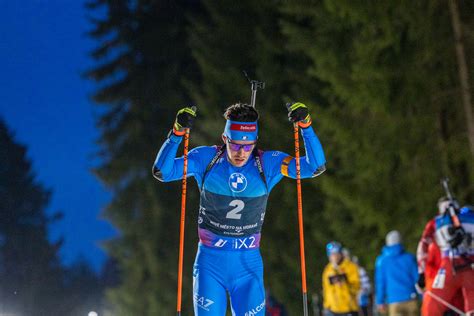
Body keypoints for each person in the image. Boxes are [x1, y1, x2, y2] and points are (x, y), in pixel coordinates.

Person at [153, 102, 326, 315]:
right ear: (225, 138)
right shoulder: (206, 159)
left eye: (248, 145)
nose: (241, 153)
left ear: (255, 142)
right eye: (235, 145)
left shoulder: (268, 164)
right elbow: (163, 171)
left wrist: (305, 126)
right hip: (210, 265)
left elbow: (315, 167)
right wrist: (177, 133)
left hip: (248, 266)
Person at [417, 199, 473, 316]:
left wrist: (422, 274)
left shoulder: (436, 224)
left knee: (431, 308)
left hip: (447, 274)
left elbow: (423, 248)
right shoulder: (469, 219)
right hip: (461, 272)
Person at [375, 230, 418, 316]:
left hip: (394, 302)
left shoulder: (382, 261)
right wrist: (423, 296)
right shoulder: (409, 258)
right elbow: (417, 279)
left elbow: (381, 283)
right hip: (411, 299)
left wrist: (380, 301)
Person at [322, 241, 360, 316]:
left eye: (336, 254)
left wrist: (344, 283)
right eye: (331, 254)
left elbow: (356, 286)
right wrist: (326, 306)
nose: (334, 256)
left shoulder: (350, 267)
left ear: (340, 254)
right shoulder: (328, 270)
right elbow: (326, 289)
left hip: (348, 308)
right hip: (332, 309)